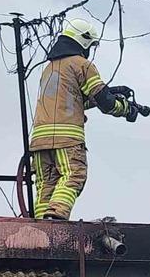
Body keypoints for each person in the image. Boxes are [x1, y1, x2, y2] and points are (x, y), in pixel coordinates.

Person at [29, 18, 142, 220]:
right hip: (66, 137)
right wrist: (125, 108)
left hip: (39, 139)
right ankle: (56, 218)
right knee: (74, 174)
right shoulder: (82, 65)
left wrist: (112, 91)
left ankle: (41, 227)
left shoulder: (49, 69)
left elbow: (73, 99)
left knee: (47, 182)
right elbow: (105, 102)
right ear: (84, 41)